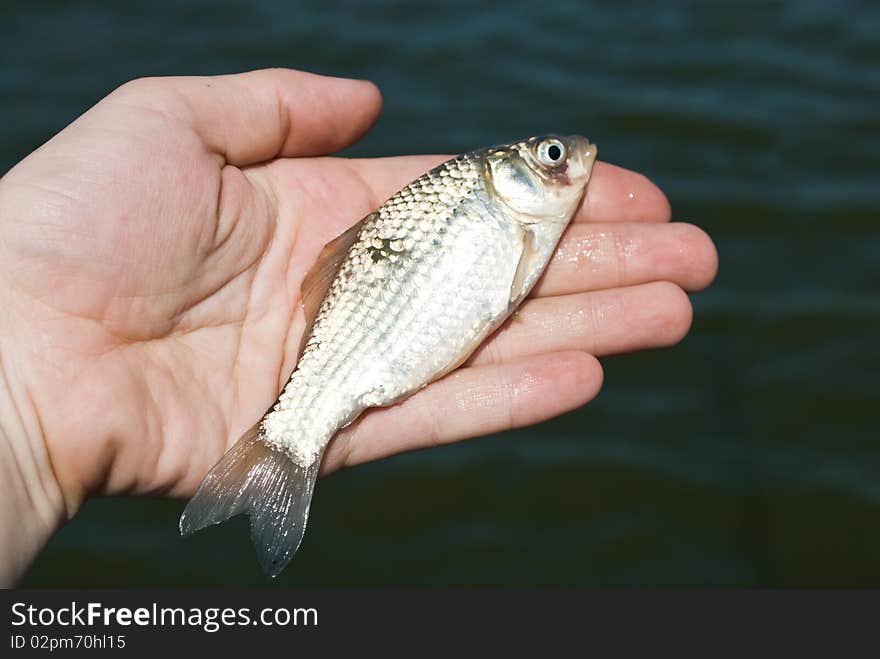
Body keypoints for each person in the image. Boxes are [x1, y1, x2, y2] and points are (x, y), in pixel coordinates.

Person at [0, 69, 717, 585]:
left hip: (381, 322)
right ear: (510, 175)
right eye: (550, 158)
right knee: (306, 422)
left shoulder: (503, 205)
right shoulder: (486, 192)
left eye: (554, 155)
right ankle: (288, 443)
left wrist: (24, 418)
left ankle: (285, 444)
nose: (568, 161)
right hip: (367, 332)